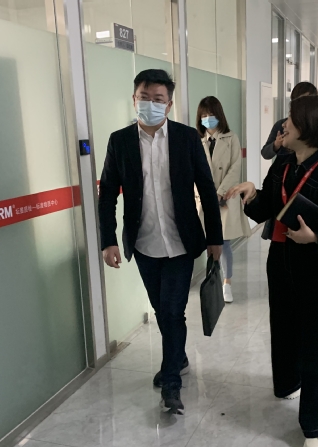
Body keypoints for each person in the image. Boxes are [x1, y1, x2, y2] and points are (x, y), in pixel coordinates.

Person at [226, 96, 318, 447]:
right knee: (283, 326)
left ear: (309, 126)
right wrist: (251, 195)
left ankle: (315, 427)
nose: (284, 124)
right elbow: (268, 207)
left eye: (291, 118)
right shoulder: (284, 163)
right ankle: (288, 382)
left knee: (316, 342)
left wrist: (316, 237)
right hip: (281, 258)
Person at [98, 69, 223, 415]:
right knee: (162, 309)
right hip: (144, 244)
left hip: (181, 242)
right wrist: (108, 240)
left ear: (168, 104)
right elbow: (107, 194)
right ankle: (178, 356)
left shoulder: (186, 138)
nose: (150, 104)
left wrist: (215, 238)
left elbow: (206, 189)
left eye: (158, 99)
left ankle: (171, 384)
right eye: (144, 97)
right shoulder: (120, 141)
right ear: (134, 99)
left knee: (171, 310)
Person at [195, 96, 251, 303]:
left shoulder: (231, 137)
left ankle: (227, 282)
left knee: (224, 241)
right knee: (208, 240)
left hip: (225, 197)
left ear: (219, 115)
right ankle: (213, 278)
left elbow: (235, 167)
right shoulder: (196, 139)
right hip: (204, 198)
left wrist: (220, 192)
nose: (208, 119)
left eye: (211, 114)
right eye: (204, 115)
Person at [260, 82, 318, 160]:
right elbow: (265, 153)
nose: (298, 105)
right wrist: (276, 145)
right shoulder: (281, 125)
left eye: (303, 101)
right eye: (295, 101)